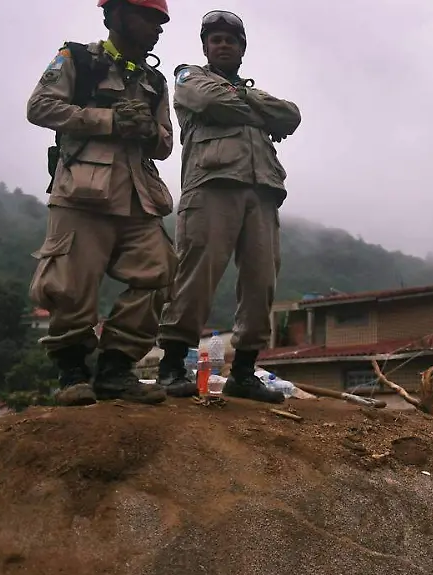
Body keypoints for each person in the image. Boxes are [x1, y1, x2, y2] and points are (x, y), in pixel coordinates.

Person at [26, 0, 176, 406]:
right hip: (82, 191)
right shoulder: (77, 58)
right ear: (116, 15)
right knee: (71, 284)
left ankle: (116, 368)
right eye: (148, 17)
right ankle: (72, 372)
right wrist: (108, 120)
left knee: (159, 272)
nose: (157, 28)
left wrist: (147, 130)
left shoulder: (155, 81)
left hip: (138, 195)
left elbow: (165, 144)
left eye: (160, 21)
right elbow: (39, 107)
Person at [155, 10, 302, 403]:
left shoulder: (251, 91)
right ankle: (170, 366)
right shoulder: (189, 77)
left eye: (230, 40)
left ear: (241, 49)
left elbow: (291, 115)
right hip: (211, 186)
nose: (222, 45)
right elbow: (205, 99)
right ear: (205, 47)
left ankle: (244, 371)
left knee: (262, 280)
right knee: (196, 273)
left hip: (263, 191)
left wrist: (243, 98)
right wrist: (256, 110)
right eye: (215, 39)